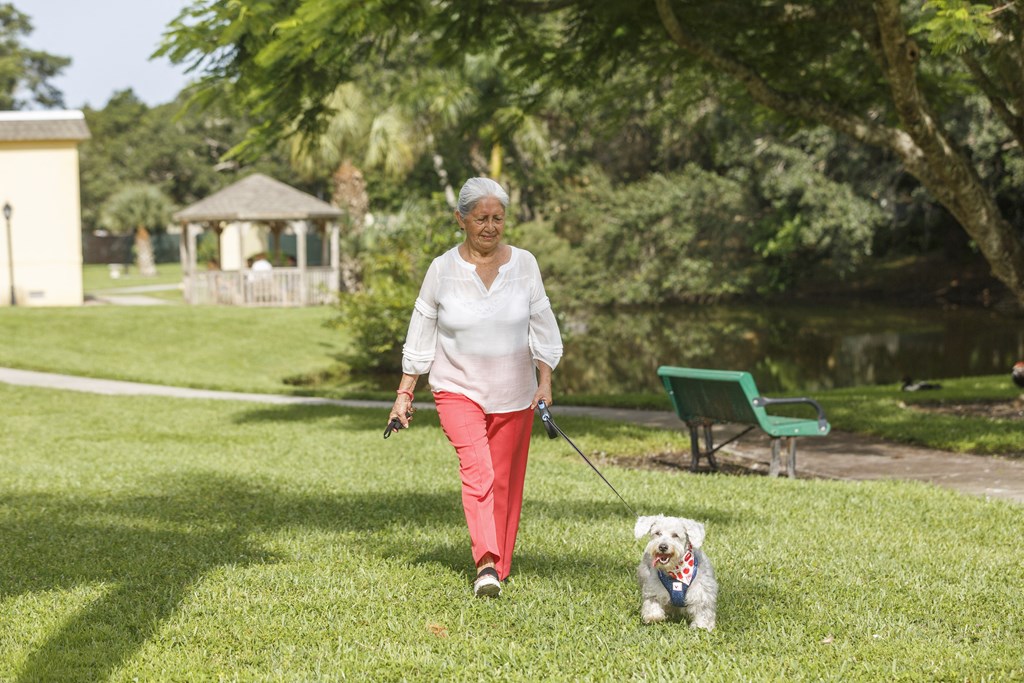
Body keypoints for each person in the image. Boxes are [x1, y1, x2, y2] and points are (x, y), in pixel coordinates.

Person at [388, 177, 563, 598]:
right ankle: (485, 562)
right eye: (481, 218)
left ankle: (499, 569)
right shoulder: (442, 270)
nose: (490, 226)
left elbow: (542, 327)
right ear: (461, 219)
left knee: (505, 481)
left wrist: (545, 381)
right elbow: (421, 330)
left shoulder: (525, 264)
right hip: (456, 387)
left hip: (515, 392)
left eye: (498, 218)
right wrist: (404, 393)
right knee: (479, 470)